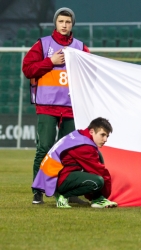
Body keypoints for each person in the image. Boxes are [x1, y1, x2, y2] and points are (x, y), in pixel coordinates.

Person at [22, 7, 90, 204]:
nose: (64, 25)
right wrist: (49, 61)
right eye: (61, 21)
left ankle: (68, 192)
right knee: (44, 148)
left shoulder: (80, 47)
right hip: (47, 106)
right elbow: (27, 69)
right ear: (55, 23)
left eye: (68, 22)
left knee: (71, 151)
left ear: (72, 25)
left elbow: (90, 73)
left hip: (71, 107)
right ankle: (38, 190)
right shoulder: (43, 44)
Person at [32, 117, 117, 209]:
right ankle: (63, 196)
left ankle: (97, 198)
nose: (105, 139)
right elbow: (99, 171)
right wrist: (106, 194)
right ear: (92, 131)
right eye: (102, 135)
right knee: (98, 181)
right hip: (56, 179)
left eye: (107, 136)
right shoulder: (85, 147)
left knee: (97, 159)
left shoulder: (79, 134)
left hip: (52, 176)